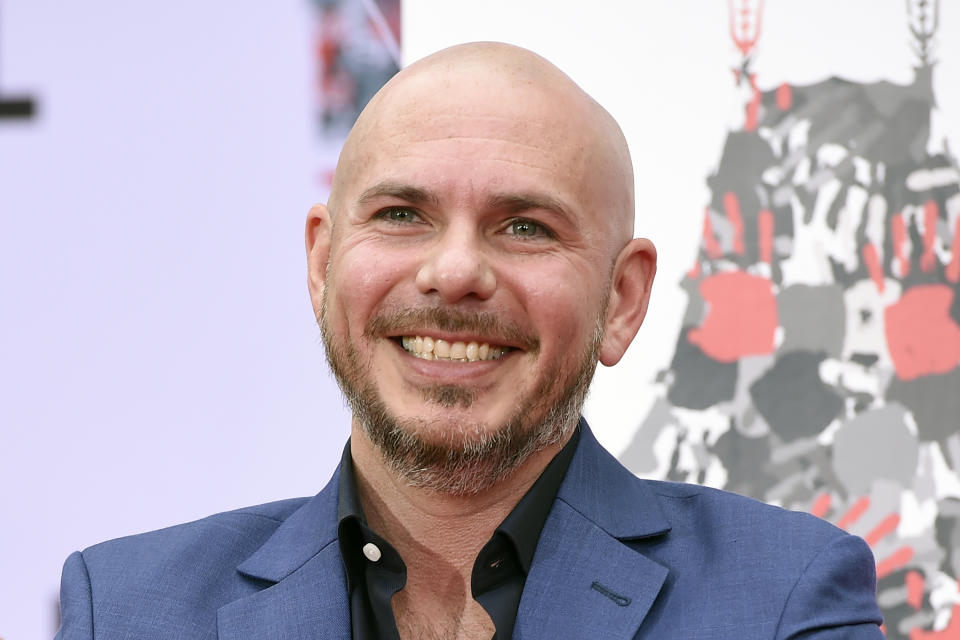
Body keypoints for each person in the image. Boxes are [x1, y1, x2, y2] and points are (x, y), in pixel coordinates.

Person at [55, 42, 884, 639]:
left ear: (622, 300)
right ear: (321, 263)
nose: (453, 273)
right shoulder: (124, 609)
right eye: (401, 215)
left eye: (525, 225)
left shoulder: (784, 598)